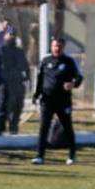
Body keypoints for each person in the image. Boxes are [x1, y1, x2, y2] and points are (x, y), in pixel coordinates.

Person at [31, 37, 82, 165]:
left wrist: (72, 84)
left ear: (63, 47)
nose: (57, 48)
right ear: (51, 46)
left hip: (63, 101)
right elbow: (40, 79)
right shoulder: (45, 60)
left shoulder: (69, 61)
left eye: (59, 46)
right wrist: (36, 95)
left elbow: (79, 78)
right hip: (47, 100)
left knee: (67, 127)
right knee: (44, 127)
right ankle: (40, 156)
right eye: (55, 46)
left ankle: (72, 155)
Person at [0, 30, 29, 136]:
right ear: (5, 36)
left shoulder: (19, 51)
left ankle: (13, 127)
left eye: (14, 34)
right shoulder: (1, 49)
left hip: (18, 82)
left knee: (17, 105)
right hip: (5, 82)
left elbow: (25, 65)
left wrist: (26, 77)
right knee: (3, 105)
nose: (12, 36)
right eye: (10, 34)